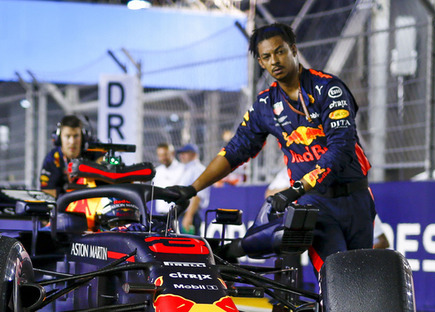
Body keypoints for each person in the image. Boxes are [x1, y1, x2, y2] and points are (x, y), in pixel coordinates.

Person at [167, 23, 375, 275]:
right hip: (314, 204)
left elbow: (341, 148)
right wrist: (192, 189)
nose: (275, 60)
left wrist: (295, 189)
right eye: (266, 56)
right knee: (338, 276)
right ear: (261, 62)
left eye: (280, 52)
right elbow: (234, 151)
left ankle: (237, 250)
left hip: (357, 199)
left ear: (293, 50)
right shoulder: (265, 105)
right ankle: (235, 250)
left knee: (362, 278)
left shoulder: (329, 89)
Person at [39, 115, 99, 198]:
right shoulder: (52, 159)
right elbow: (47, 192)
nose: (72, 142)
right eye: (67, 136)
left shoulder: (93, 152)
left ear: (83, 137)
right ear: (59, 138)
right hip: (62, 207)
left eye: (76, 136)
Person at [175, 143, 210, 234]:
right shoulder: (187, 169)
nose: (181, 156)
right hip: (184, 212)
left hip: (191, 213)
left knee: (189, 244)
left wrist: (189, 216)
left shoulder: (198, 169)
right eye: (181, 153)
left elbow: (197, 195)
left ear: (193, 154)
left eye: (184, 153)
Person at [151, 143, 184, 215]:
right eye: (160, 155)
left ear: (173, 153)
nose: (163, 158)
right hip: (160, 214)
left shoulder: (183, 169)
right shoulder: (157, 171)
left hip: (178, 215)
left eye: (165, 154)